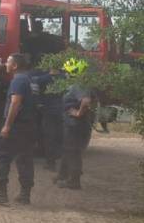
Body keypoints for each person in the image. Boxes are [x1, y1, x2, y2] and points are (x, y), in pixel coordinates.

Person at [0, 53, 37, 205]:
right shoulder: (29, 79)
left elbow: (15, 103)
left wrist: (7, 126)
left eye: (7, 62)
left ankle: (0, 195)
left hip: (17, 126)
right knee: (25, 159)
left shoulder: (18, 80)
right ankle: (24, 195)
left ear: (14, 66)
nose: (4, 64)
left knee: (1, 155)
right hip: (28, 126)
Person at [56, 58, 95, 190]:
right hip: (73, 123)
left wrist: (78, 113)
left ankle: (74, 181)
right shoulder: (78, 84)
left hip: (76, 124)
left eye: (67, 71)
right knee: (68, 149)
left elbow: (86, 101)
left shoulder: (79, 85)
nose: (65, 73)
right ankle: (62, 175)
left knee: (73, 151)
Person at [30, 67, 65, 171]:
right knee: (60, 136)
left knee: (49, 136)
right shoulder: (65, 79)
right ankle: (62, 162)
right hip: (61, 111)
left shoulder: (42, 79)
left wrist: (38, 104)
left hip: (48, 111)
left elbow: (34, 92)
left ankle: (51, 163)